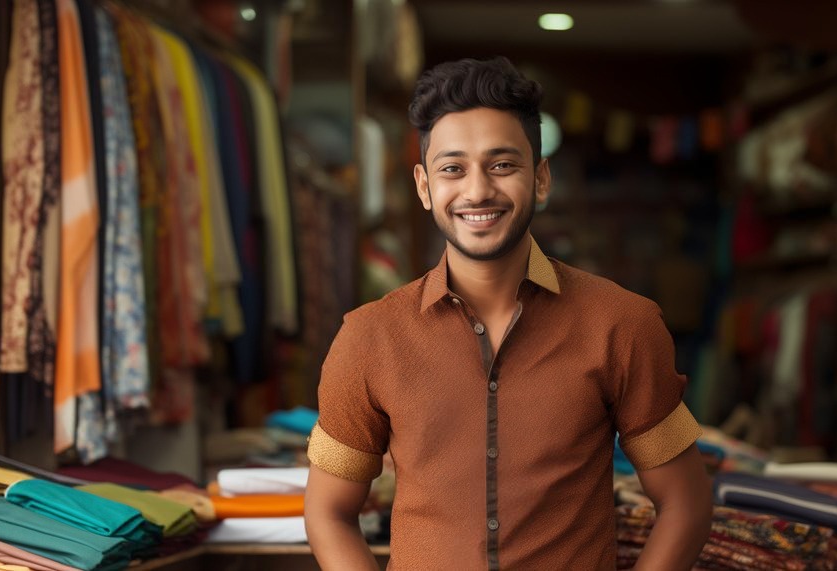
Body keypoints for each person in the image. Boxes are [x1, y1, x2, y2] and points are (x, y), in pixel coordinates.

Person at [304, 56, 712, 570]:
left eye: (502, 165)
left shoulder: (621, 324)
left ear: (540, 179)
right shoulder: (369, 338)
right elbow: (328, 513)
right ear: (425, 186)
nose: (477, 191)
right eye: (452, 168)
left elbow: (686, 504)